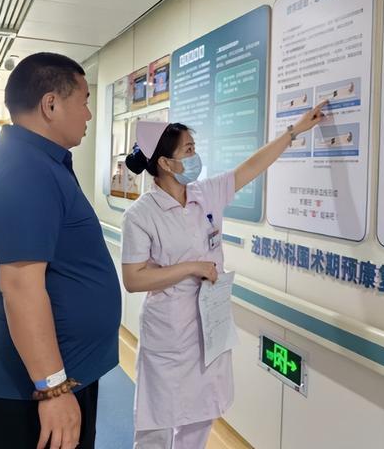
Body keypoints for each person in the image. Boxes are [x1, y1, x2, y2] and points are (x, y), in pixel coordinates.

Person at [121, 102, 327, 449]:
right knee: (157, 422)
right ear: (166, 164)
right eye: (188, 150)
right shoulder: (141, 215)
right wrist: (191, 267)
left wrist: (294, 131)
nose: (195, 157)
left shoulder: (206, 193)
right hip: (169, 331)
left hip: (210, 325)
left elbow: (252, 167)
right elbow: (134, 279)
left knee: (201, 415)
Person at [0, 53, 122, 449]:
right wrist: (53, 389)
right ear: (51, 104)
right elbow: (21, 287)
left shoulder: (38, 162)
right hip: (38, 388)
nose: (88, 114)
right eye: (85, 100)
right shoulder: (25, 170)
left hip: (59, 373)